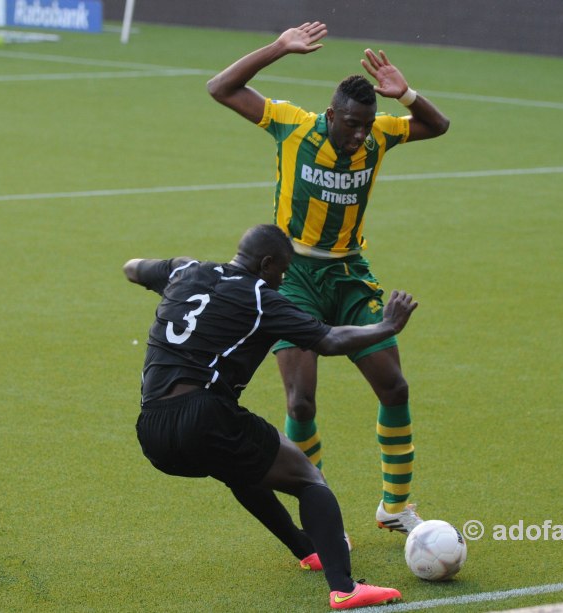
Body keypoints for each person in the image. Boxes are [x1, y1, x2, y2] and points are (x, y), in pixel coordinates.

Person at [207, 22, 450, 534]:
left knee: (395, 387)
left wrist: (404, 93)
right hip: (291, 276)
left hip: (348, 274)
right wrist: (278, 47)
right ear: (332, 114)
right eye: (353, 125)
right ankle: (320, 510)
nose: (361, 135)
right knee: (300, 399)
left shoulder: (380, 135)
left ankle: (396, 507)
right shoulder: (293, 126)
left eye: (367, 125)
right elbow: (221, 88)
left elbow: (437, 125)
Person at [124, 224, 418, 610]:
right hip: (203, 415)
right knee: (309, 478)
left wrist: (161, 281)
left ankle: (307, 549)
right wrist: (386, 326)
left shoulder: (185, 271)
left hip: (152, 427)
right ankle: (345, 587)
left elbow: (132, 267)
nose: (282, 280)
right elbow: (328, 340)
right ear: (266, 265)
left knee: (241, 467)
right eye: (282, 271)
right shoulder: (262, 297)